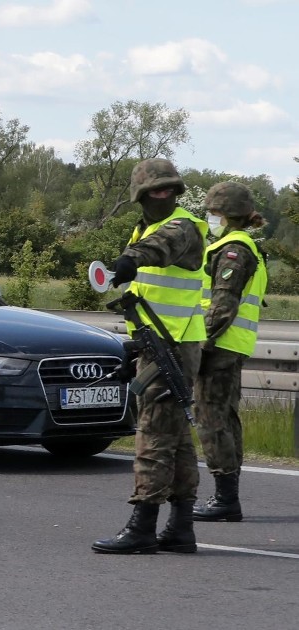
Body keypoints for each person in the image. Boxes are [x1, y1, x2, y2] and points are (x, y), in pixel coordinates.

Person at [92, 158, 207, 554]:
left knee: (154, 435)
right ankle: (181, 526)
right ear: (140, 195)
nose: (164, 195)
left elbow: (160, 249)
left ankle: (143, 525)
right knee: (175, 439)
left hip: (174, 344)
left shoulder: (181, 226)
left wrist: (130, 259)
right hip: (157, 341)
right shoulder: (144, 227)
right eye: (156, 189)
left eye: (169, 188)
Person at [193, 182, 268, 522]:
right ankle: (228, 497)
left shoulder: (233, 250)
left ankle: (225, 499)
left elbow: (222, 307)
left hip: (218, 346)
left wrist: (198, 346)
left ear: (226, 215)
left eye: (213, 213)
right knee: (225, 419)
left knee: (211, 421)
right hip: (232, 345)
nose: (209, 218)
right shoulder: (241, 245)